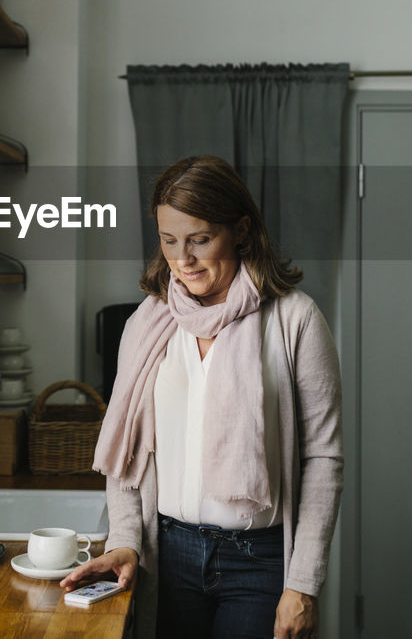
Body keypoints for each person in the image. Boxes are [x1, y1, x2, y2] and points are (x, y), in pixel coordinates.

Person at [61, 155, 343, 639]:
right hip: (168, 555)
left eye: (200, 240)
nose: (183, 259)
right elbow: (129, 454)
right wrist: (127, 540)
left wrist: (303, 584)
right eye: (169, 241)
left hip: (261, 561)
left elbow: (323, 458)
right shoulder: (147, 325)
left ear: (241, 230)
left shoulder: (296, 320)